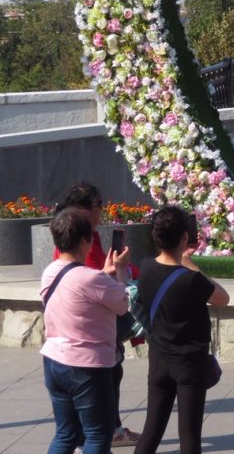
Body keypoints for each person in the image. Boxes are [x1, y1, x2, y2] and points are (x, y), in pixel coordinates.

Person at [133, 206, 230, 454]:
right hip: (189, 363)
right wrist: (190, 263)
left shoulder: (145, 267)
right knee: (189, 438)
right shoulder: (190, 279)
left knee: (151, 432)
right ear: (185, 238)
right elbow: (223, 298)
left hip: (159, 359)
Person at [50, 183, 140, 449]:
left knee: (66, 434)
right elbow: (121, 303)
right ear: (83, 240)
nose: (101, 211)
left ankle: (111, 428)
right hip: (86, 359)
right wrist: (121, 272)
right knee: (97, 434)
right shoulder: (89, 277)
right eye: (98, 205)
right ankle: (113, 430)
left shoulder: (50, 273)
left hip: (55, 357)